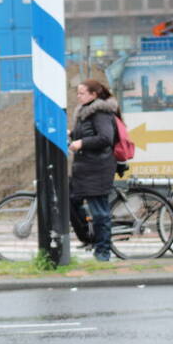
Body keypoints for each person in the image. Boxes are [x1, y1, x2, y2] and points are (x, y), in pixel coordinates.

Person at [68, 79, 119, 262]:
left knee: (100, 212)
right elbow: (86, 133)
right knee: (70, 200)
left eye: (81, 92)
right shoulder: (84, 112)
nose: (78, 96)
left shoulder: (100, 112)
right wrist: (72, 135)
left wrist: (81, 143)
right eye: (78, 92)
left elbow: (106, 138)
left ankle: (103, 252)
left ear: (93, 95)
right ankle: (89, 237)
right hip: (85, 168)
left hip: (98, 168)